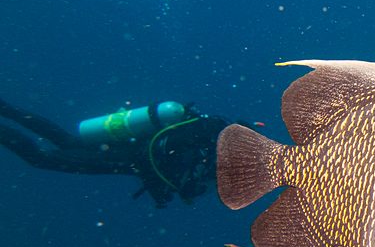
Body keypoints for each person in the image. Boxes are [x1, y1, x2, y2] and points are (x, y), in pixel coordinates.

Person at [0, 98, 235, 208]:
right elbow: (156, 158)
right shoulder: (212, 153)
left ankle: (6, 107)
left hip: (129, 143)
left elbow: (167, 158)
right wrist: (162, 189)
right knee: (41, 158)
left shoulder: (211, 142)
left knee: (66, 141)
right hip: (127, 158)